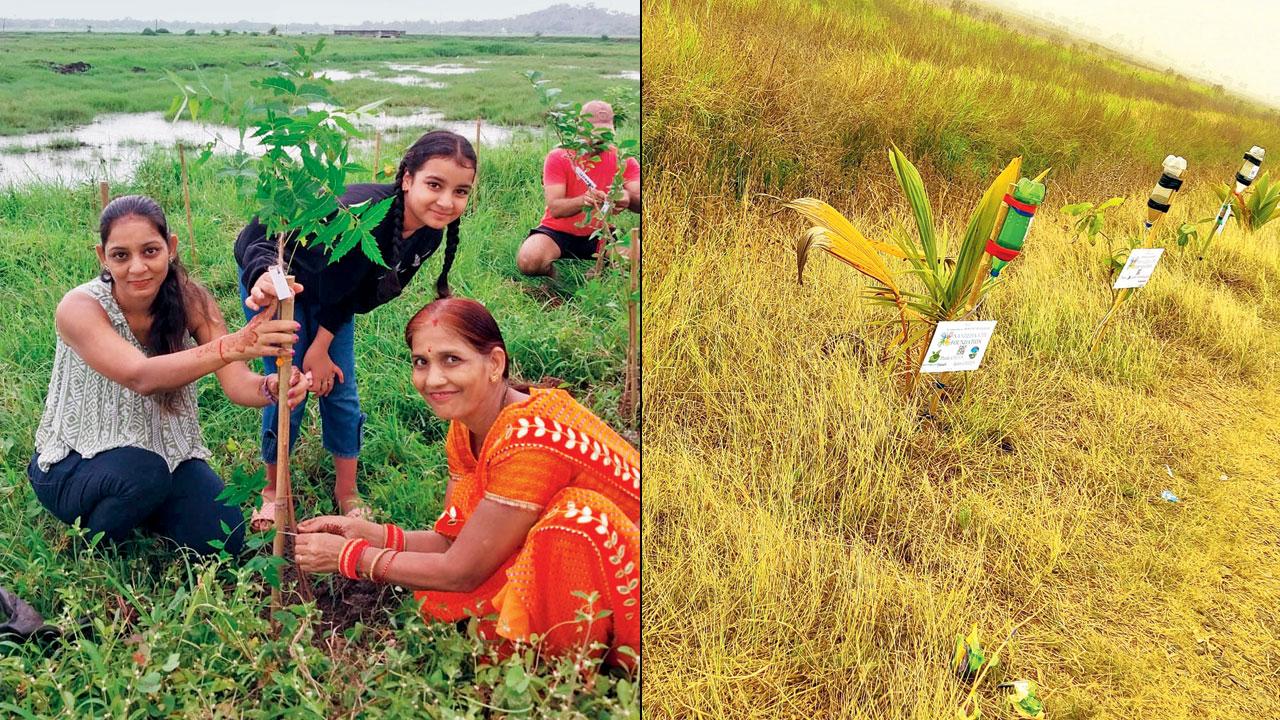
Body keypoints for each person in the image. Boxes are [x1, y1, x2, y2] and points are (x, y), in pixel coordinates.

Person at [294, 297, 640, 669]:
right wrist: (367, 532)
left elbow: (460, 571)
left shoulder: (530, 437)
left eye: (451, 360)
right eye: (421, 362)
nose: (433, 379)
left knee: (574, 521)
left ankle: (564, 673)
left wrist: (351, 558)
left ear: (494, 363)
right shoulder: (468, 425)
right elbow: (455, 541)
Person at [28, 195, 309, 556]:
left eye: (150, 251)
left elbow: (236, 382)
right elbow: (140, 375)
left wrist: (271, 388)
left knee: (224, 541)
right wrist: (235, 345)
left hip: (164, 455)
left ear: (170, 247)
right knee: (143, 474)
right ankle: (96, 546)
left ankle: (143, 506)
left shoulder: (191, 300)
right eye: (120, 255)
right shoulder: (80, 307)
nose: (137, 268)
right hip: (74, 463)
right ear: (102, 256)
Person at [235, 130, 476, 530]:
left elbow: (359, 292)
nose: (447, 201)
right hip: (281, 287)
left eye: (461, 191)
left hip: (333, 302)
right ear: (407, 179)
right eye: (435, 184)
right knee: (288, 386)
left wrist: (322, 346)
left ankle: (347, 493)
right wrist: (265, 276)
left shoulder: (428, 233)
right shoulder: (355, 213)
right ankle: (270, 491)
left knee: (340, 389)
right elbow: (261, 235)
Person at [515, 100, 641, 276]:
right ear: (580, 128)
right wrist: (584, 200)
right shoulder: (560, 156)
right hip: (557, 232)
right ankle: (555, 282)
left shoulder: (623, 159)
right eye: (595, 134)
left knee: (635, 253)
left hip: (601, 232)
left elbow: (640, 201)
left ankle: (598, 272)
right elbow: (556, 208)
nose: (600, 141)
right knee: (529, 261)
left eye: (605, 135)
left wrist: (627, 197)